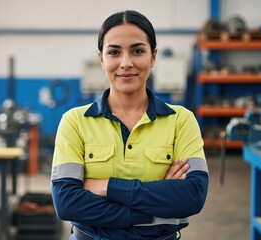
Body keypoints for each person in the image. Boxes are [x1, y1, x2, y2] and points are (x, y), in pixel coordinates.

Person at [51, 10, 209, 240]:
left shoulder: (181, 121)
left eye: (137, 51)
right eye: (114, 52)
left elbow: (193, 196)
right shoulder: (75, 121)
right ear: (101, 59)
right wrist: (152, 205)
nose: (126, 63)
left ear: (153, 57)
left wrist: (107, 187)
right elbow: (66, 203)